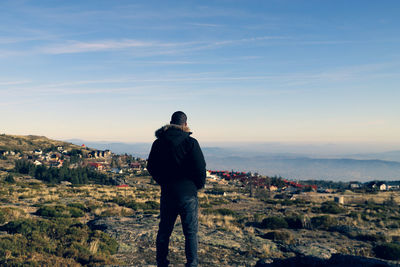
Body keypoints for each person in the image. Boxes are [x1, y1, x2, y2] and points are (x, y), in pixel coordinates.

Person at [147, 111, 206, 267]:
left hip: (168, 193)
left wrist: (163, 182)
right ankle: (191, 264)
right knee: (191, 233)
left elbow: (151, 167)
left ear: (170, 123)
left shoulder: (158, 143)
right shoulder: (191, 143)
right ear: (185, 124)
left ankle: (162, 263)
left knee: (164, 231)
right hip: (188, 194)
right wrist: (197, 186)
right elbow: (201, 168)